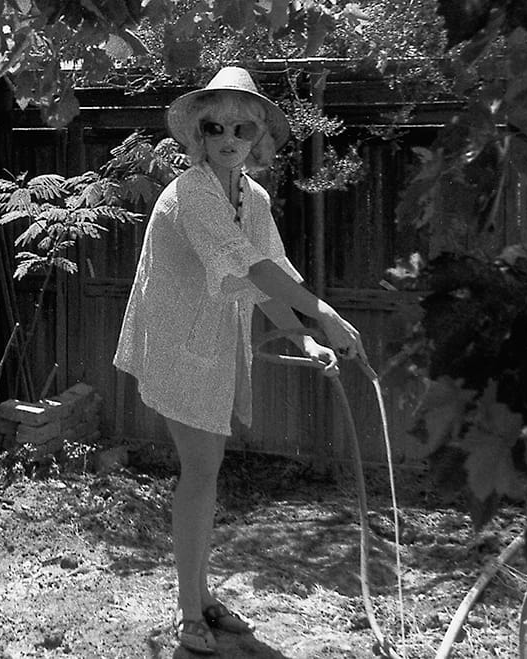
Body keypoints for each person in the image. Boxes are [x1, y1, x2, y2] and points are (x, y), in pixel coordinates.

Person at [112, 66, 368, 655]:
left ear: (259, 140)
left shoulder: (251, 197)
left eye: (243, 128)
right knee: (200, 472)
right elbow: (248, 268)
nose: (229, 137)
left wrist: (302, 337)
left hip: (215, 336)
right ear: (197, 137)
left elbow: (265, 271)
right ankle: (188, 612)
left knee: (207, 469)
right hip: (175, 339)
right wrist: (323, 314)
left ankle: (199, 597)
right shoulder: (190, 193)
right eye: (214, 125)